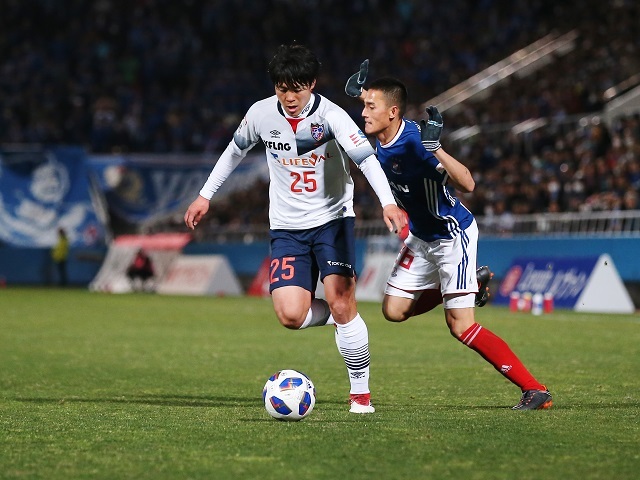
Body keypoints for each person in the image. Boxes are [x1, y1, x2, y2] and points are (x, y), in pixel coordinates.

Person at [184, 44, 407, 414]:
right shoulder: (260, 114)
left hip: (332, 220)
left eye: (297, 89)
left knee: (341, 299)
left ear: (312, 84)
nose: (289, 97)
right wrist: (205, 196)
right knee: (291, 316)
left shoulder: (332, 116)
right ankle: (343, 318)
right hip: (286, 227)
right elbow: (234, 151)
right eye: (282, 89)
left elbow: (366, 160)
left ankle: (360, 396)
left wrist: (387, 202)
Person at [345, 63, 552, 410]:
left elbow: (468, 183)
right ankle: (470, 285)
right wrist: (361, 94)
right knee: (393, 311)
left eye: (370, 107)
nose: (363, 113)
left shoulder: (416, 143)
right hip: (420, 238)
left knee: (460, 327)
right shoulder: (381, 135)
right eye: (364, 106)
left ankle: (534, 390)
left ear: (392, 112)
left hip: (451, 234)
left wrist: (436, 148)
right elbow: (379, 103)